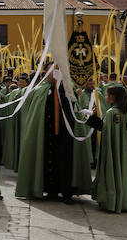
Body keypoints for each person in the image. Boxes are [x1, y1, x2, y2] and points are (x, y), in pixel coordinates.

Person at [16, 69, 92, 203]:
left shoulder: (68, 89)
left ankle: (67, 192)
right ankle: (51, 191)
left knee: (66, 163)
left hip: (66, 134)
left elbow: (75, 107)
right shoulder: (40, 90)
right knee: (48, 162)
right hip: (46, 133)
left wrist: (64, 89)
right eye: (52, 70)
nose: (55, 73)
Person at [83, 85, 127, 213]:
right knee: (120, 171)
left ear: (112, 97)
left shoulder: (112, 113)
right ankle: (122, 200)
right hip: (121, 150)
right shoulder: (124, 111)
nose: (105, 97)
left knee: (112, 170)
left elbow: (104, 130)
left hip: (111, 150)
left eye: (107, 95)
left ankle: (111, 200)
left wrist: (91, 119)